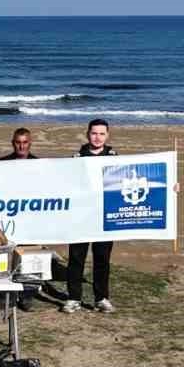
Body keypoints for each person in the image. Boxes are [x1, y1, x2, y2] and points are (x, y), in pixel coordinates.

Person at [64, 119, 117, 314]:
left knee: (102, 259)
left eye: (102, 134)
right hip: (80, 216)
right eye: (94, 133)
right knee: (76, 258)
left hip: (104, 216)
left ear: (107, 135)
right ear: (87, 134)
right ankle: (73, 298)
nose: (97, 137)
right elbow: (64, 183)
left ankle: (101, 298)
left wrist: (171, 186)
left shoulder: (115, 158)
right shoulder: (76, 158)